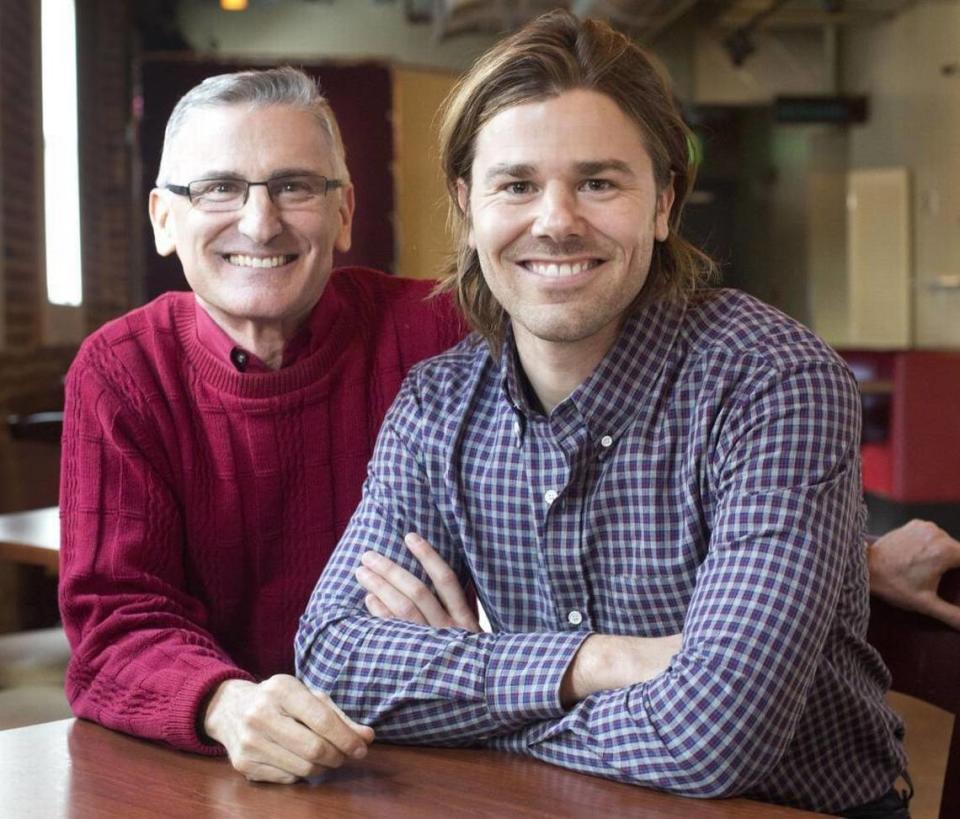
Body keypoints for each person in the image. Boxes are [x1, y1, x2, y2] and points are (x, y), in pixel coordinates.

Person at [294, 11, 916, 815]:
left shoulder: (773, 382)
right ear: (469, 205)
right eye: (516, 184)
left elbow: (713, 735)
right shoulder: (437, 405)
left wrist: (469, 689)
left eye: (598, 181)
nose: (555, 220)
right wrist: (590, 661)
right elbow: (333, 658)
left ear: (663, 201)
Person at [57, 67, 463, 784]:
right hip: (214, 768)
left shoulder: (438, 331)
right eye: (219, 188)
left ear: (343, 214)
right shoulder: (121, 371)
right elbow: (114, 621)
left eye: (294, 186)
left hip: (432, 745)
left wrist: (482, 632)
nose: (259, 221)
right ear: (162, 218)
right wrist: (224, 701)